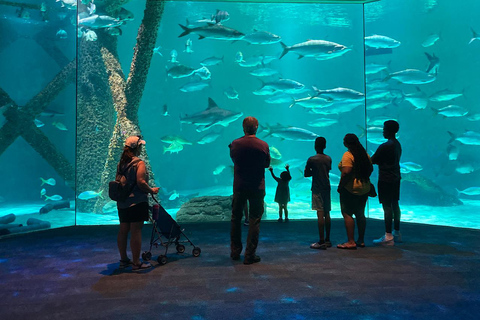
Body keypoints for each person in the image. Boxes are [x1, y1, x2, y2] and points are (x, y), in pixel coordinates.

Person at [229, 116, 270, 265]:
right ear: (257, 127)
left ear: (243, 127)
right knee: (254, 220)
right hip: (257, 187)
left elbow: (233, 159)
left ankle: (235, 252)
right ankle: (249, 255)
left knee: (236, 218)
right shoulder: (263, 145)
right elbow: (266, 164)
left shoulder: (235, 144)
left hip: (240, 186)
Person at [116, 135, 159, 271]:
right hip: (137, 202)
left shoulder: (121, 163)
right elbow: (141, 182)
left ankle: (124, 260)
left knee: (123, 230)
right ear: (137, 147)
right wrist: (151, 190)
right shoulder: (139, 163)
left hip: (122, 202)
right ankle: (136, 263)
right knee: (136, 231)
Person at [337, 133, 373, 250]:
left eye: (344, 141)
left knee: (347, 213)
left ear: (347, 143)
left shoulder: (348, 155)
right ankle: (361, 240)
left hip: (351, 189)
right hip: (364, 188)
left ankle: (351, 241)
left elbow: (346, 172)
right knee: (360, 214)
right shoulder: (365, 154)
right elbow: (371, 169)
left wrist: (341, 186)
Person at [371, 120, 402, 246]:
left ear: (389, 130)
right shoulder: (397, 144)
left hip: (385, 179)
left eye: (384, 129)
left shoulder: (385, 146)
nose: (383, 131)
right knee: (395, 204)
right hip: (396, 178)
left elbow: (373, 160)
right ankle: (397, 232)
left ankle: (388, 236)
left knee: (386, 206)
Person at [304, 137, 332, 250]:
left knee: (320, 214)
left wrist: (313, 172)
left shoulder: (312, 159)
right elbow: (327, 170)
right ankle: (328, 239)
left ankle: (321, 241)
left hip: (317, 188)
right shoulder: (328, 158)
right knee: (327, 213)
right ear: (325, 146)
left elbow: (306, 174)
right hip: (327, 187)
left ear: (315, 146)